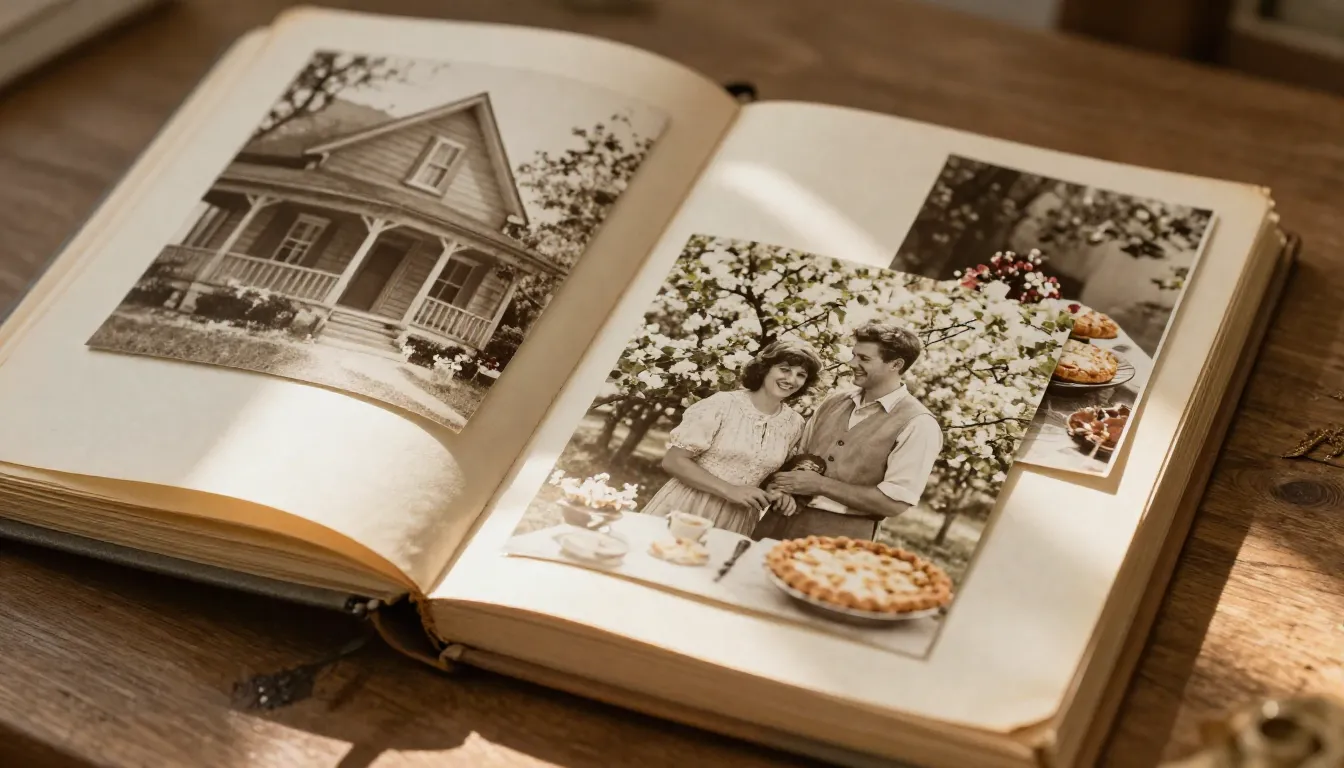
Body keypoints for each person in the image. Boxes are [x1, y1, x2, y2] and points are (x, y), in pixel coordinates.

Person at [758, 321, 943, 541]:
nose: (852, 362)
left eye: (864, 359)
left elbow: (895, 503)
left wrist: (820, 485)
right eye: (854, 355)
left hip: (842, 538)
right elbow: (796, 456)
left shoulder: (918, 424)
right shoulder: (834, 401)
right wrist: (783, 489)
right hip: (778, 519)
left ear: (895, 365)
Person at [642, 339, 823, 536]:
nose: (791, 379)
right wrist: (730, 490)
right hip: (688, 507)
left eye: (801, 375)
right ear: (765, 369)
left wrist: (777, 492)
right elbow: (673, 461)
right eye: (785, 369)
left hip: (736, 520)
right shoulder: (722, 404)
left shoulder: (794, 423)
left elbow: (761, 471)